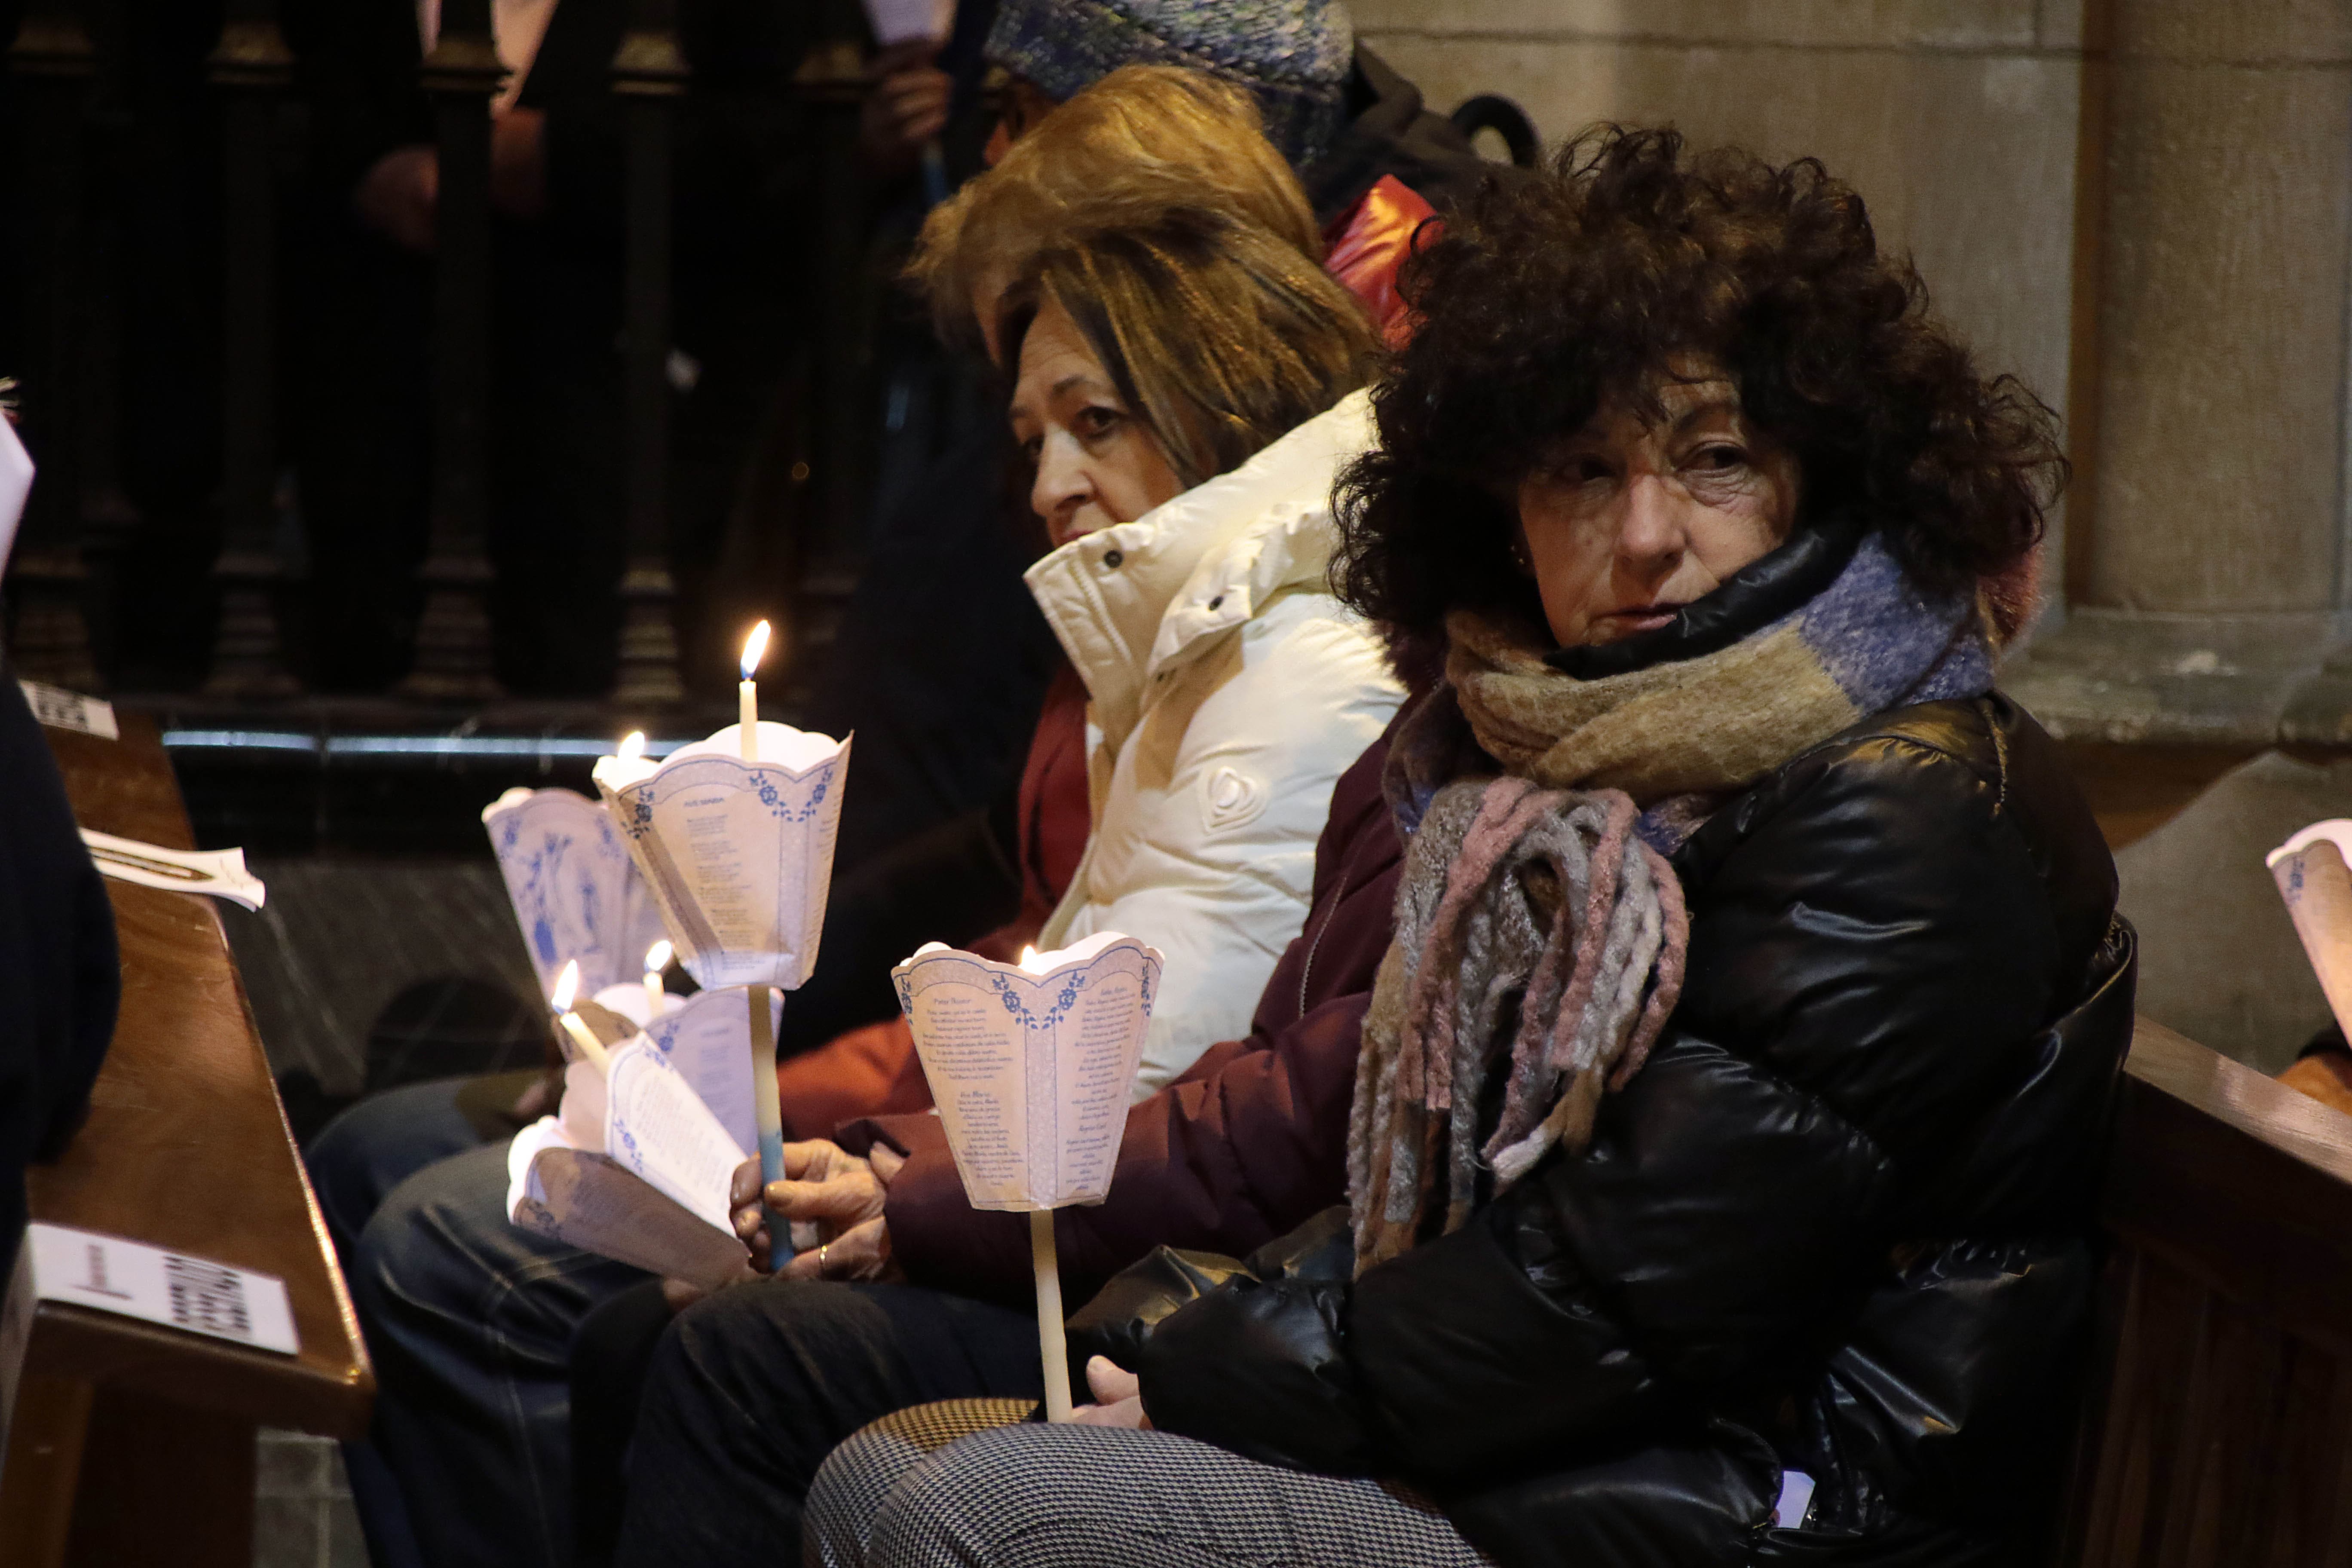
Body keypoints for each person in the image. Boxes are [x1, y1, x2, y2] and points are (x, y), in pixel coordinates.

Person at [799, 127, 2138, 1568]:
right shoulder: (1538, 749)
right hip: (1574, 1446)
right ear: (1498, 511)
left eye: (1714, 461)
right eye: (1579, 469)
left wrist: (1212, 1371)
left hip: (1768, 1503)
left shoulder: (1901, 801)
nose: (1643, 535)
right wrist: (1199, 1332)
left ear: (1823, 474)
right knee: (883, 1472)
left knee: (968, 1512)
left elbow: (1621, 1296)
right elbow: (1432, 1195)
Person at [316, 146, 1401, 1568]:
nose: (1054, 487)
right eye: (1030, 443)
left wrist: (865, 1165)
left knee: (579, 1299)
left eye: (1097, 423)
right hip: (1035, 1186)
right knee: (434, 1187)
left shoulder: (1294, 668)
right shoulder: (1172, 648)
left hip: (1131, 1255)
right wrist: (731, 1059)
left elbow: (1156, 1051)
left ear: (1225, 395)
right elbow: (1042, 960)